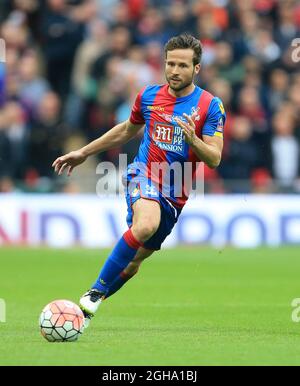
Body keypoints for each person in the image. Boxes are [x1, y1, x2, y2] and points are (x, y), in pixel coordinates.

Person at [52, 34, 226, 329]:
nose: (174, 70)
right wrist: (83, 152)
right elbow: (126, 130)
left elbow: (214, 158)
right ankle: (95, 289)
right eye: (170, 63)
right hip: (143, 174)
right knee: (146, 224)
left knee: (133, 264)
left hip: (177, 190)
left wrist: (193, 140)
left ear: (197, 68)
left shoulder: (211, 106)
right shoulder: (148, 96)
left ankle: (89, 307)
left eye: (182, 65)